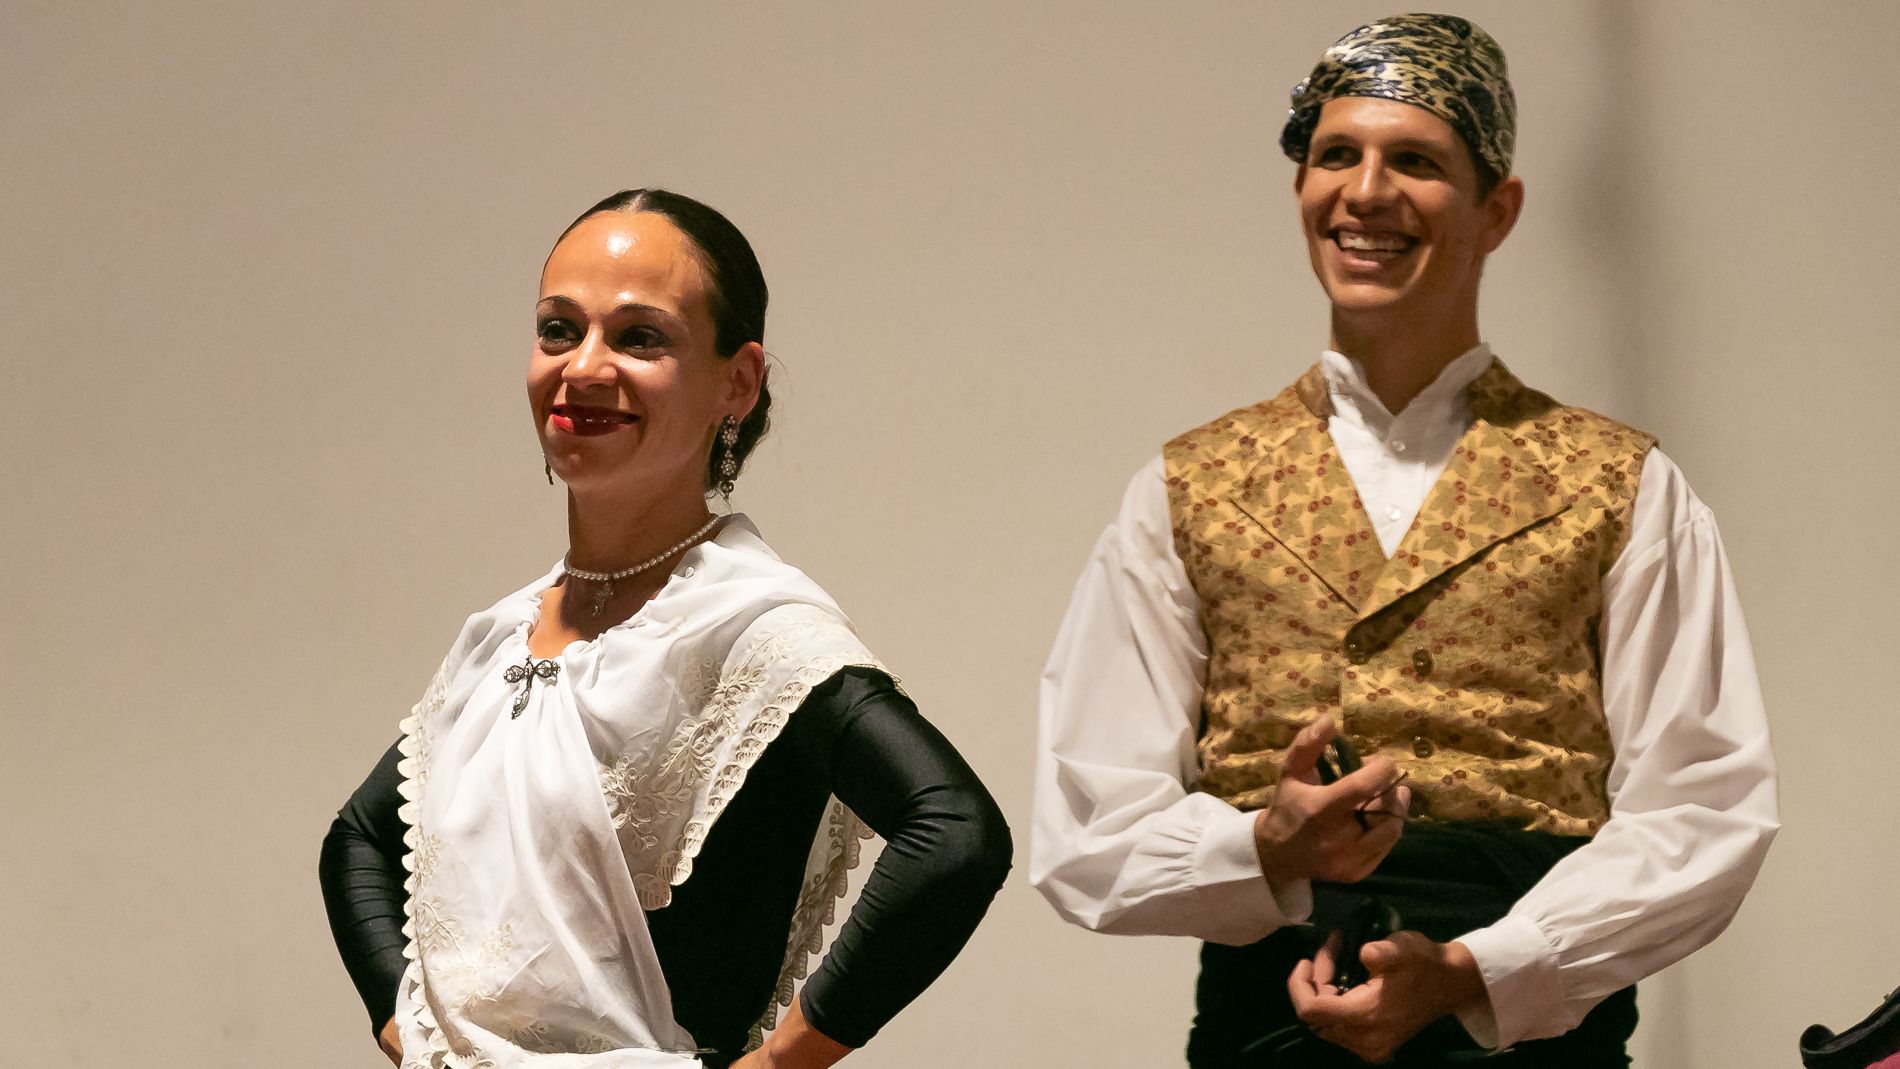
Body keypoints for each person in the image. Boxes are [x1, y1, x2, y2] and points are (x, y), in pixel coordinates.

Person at [1030, 14, 1776, 1067]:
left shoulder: (1621, 485)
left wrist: (1480, 972)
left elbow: (1704, 809)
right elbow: (1086, 826)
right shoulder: (1187, 488)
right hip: (1268, 1029)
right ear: (1300, 193)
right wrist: (1264, 847)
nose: (1367, 192)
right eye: (1336, 155)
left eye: (1416, 161)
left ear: (1497, 209)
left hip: (1528, 1042)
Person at [320, 189, 1012, 1069]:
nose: (584, 367)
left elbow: (955, 832)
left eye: (640, 336)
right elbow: (360, 840)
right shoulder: (502, 637)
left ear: (738, 380)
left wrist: (775, 1065)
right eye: (558, 329)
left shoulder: (754, 626)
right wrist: (411, 1033)